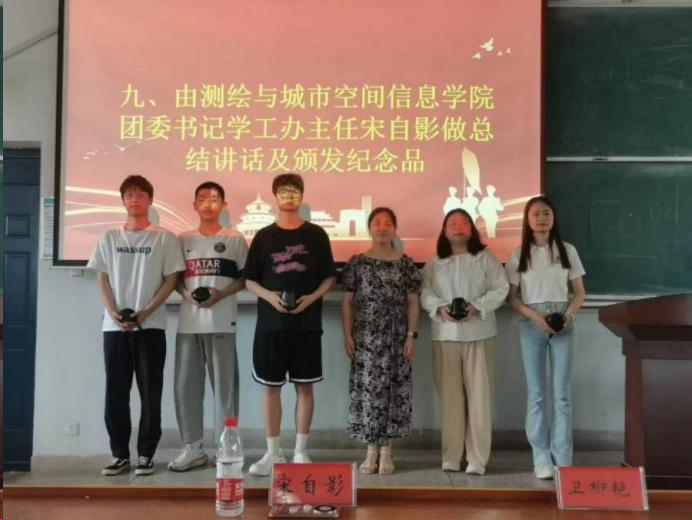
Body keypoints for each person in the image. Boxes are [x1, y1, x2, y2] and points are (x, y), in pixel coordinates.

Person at [87, 175, 185, 476]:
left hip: (151, 327)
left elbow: (171, 280)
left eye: (141, 194)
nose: (135, 199)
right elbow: (102, 277)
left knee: (150, 393)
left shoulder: (164, 238)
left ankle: (145, 454)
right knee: (115, 394)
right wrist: (113, 311)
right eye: (129, 195)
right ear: (123, 200)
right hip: (114, 328)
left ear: (150, 200)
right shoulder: (109, 237)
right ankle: (119, 454)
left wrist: (146, 312)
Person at [244, 173, 336, 476]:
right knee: (270, 389)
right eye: (283, 191)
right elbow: (249, 280)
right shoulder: (263, 236)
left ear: (302, 196)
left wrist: (311, 299)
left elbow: (329, 277)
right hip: (270, 325)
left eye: (294, 191)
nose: (289, 195)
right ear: (275, 196)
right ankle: (272, 453)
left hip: (306, 325)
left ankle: (300, 451)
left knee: (304, 387)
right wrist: (269, 296)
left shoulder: (316, 235)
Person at [421, 209, 508, 475]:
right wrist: (440, 307)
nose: (458, 226)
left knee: (479, 398)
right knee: (450, 398)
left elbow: (501, 287)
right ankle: (451, 455)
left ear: (471, 229)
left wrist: (477, 306)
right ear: (444, 230)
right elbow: (424, 291)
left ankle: (477, 458)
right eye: (452, 223)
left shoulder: (486, 259)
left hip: (479, 334)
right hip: (445, 335)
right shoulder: (434, 263)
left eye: (463, 222)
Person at [168, 182, 248, 472]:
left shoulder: (235, 239)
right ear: (194, 205)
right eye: (202, 199)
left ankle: (227, 447)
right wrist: (187, 295)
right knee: (185, 387)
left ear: (223, 205)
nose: (208, 203)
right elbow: (174, 279)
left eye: (214, 199)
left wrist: (221, 294)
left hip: (223, 322)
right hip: (189, 325)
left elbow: (245, 279)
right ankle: (193, 448)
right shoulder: (182, 239)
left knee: (226, 390)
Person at [505, 196, 585, 480]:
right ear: (527, 220)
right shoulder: (518, 254)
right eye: (536, 214)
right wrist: (536, 316)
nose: (541, 218)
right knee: (537, 394)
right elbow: (511, 299)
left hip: (564, 321)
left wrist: (568, 316)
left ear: (553, 218)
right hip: (532, 323)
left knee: (562, 395)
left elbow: (579, 293)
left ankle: (562, 459)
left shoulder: (567, 250)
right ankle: (541, 458)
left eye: (546, 213)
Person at [341, 207, 421, 475]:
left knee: (393, 390)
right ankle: (370, 450)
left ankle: (387, 450)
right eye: (377, 222)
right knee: (368, 391)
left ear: (395, 229)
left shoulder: (406, 264)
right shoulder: (357, 263)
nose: (382, 227)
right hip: (365, 337)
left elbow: (413, 302)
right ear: (369, 228)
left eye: (388, 223)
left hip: (397, 337)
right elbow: (347, 301)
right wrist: (347, 334)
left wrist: (411, 335)